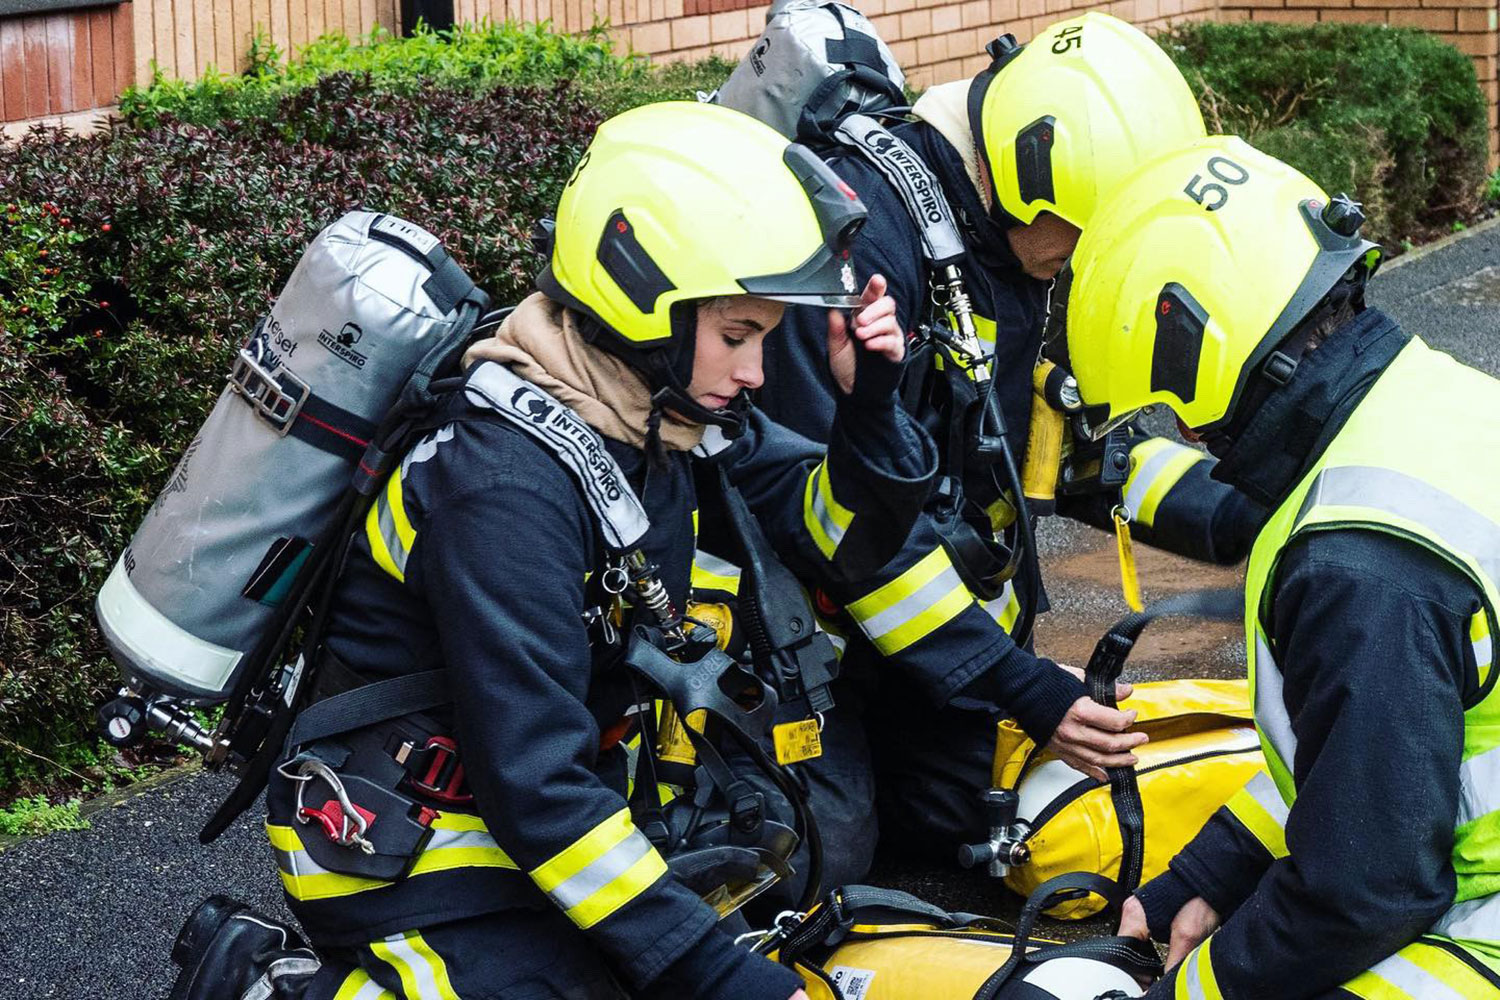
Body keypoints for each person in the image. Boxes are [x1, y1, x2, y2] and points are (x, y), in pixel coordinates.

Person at [168, 100, 937, 1000]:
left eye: (764, 337)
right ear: (646, 300)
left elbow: (837, 538)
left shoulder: (662, 420)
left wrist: (875, 404)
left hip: (554, 803)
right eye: (738, 335)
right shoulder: (501, 484)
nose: (757, 372)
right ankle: (265, 982)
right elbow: (533, 781)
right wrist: (712, 975)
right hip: (403, 841)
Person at [746, 11, 1263, 876]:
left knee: (972, 825)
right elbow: (836, 524)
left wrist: (1252, 512)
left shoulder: (1004, 246)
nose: (1090, 264)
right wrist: (1020, 685)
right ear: (1030, 173)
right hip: (811, 642)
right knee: (823, 854)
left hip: (934, 641)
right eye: (1083, 243)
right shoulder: (862, 247)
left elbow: (1063, 452)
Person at [1056, 134, 1500, 997]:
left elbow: (1367, 891)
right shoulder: (1436, 403)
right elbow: (1367, 757)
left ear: (1204, 352)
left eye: (1177, 411)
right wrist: (1218, 869)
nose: (1191, 440)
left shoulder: (1356, 562)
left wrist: (1192, 992)